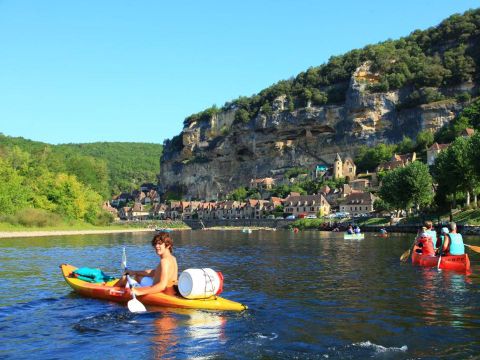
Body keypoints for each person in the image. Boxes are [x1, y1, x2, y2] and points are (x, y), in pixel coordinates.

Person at [114, 232, 178, 296]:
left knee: (125, 278)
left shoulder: (164, 261)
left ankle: (109, 289)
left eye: (160, 244)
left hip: (160, 292)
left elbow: (162, 286)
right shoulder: (173, 258)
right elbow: (155, 272)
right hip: (170, 290)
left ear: (168, 245)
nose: (156, 246)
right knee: (137, 276)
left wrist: (139, 292)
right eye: (155, 244)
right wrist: (134, 272)